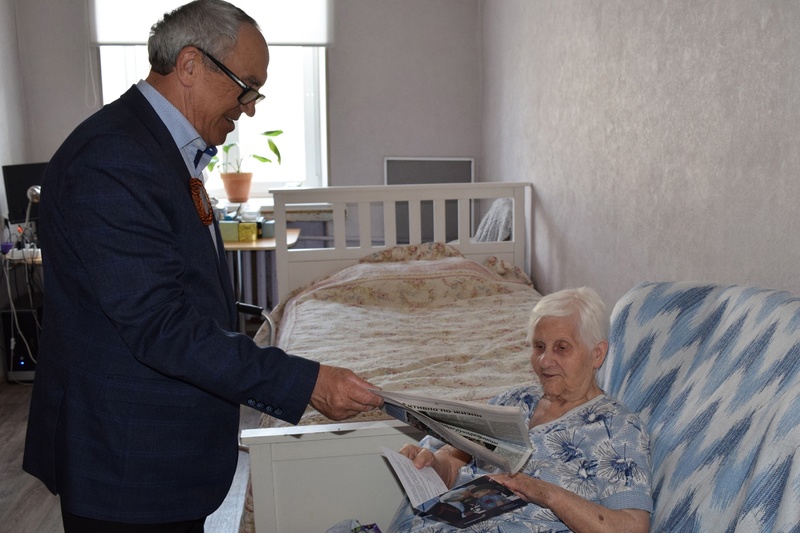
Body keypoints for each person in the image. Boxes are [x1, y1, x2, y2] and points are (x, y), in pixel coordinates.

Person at [22, 1, 383, 531]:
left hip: (158, 455)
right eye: (246, 87)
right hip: (125, 462)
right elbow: (159, 324)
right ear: (190, 65)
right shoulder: (114, 157)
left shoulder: (158, 150)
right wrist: (303, 381)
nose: (250, 108)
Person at [389, 287, 652, 532]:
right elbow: (452, 466)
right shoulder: (513, 400)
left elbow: (632, 527)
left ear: (597, 354)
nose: (545, 361)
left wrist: (545, 493)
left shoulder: (618, 428)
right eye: (539, 347)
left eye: (561, 348)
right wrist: (429, 464)